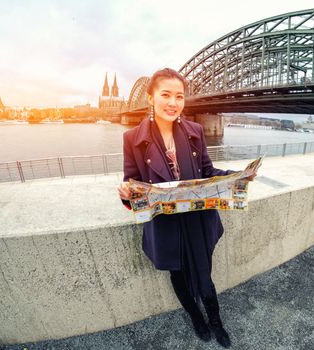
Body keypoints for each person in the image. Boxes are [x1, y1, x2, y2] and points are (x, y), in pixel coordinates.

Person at [118, 67, 256, 348]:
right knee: (178, 274)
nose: (173, 103)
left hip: (197, 218)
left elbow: (207, 170)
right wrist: (126, 191)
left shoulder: (194, 131)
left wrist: (237, 174)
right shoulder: (132, 138)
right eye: (165, 95)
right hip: (165, 223)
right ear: (150, 97)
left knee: (204, 273)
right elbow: (131, 183)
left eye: (179, 96)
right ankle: (195, 316)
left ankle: (215, 321)